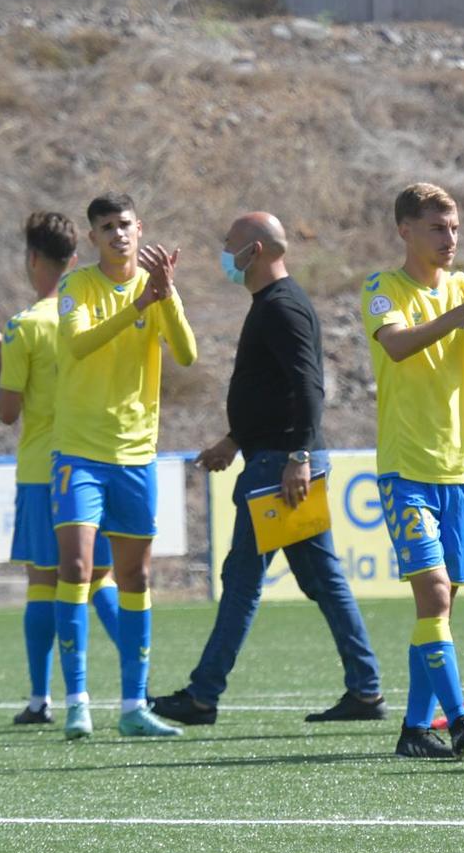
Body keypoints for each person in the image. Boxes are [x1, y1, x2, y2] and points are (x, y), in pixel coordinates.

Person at [152, 212, 387, 727]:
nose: (223, 252)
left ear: (254, 250)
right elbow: (275, 393)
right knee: (322, 580)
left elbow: (308, 388)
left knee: (242, 581)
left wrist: (298, 458)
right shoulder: (274, 304)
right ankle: (365, 690)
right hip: (276, 457)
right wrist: (236, 440)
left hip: (282, 466)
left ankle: (203, 694)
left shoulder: (282, 307)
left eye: (229, 243)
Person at [363, 183, 464, 759]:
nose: (449, 238)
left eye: (453, 228)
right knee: (432, 595)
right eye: (436, 228)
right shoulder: (382, 287)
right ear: (405, 230)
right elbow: (398, 346)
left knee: (443, 602)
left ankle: (412, 729)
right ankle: (456, 720)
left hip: (460, 471)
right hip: (407, 469)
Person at [51, 192, 198, 740]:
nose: (118, 234)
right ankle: (76, 702)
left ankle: (134, 704)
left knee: (135, 575)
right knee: (78, 568)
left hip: (136, 454)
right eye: (107, 227)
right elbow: (78, 343)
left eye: (126, 225)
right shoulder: (78, 286)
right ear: (92, 238)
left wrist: (166, 296)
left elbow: (185, 354)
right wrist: (138, 307)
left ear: (141, 229)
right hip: (80, 452)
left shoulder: (154, 288)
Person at [0, 211, 121, 727]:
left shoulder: (26, 326)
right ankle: (137, 686)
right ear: (76, 259)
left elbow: (7, 410)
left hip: (43, 469)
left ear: (31, 259)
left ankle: (42, 700)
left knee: (44, 583)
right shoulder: (91, 314)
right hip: (94, 461)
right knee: (97, 578)